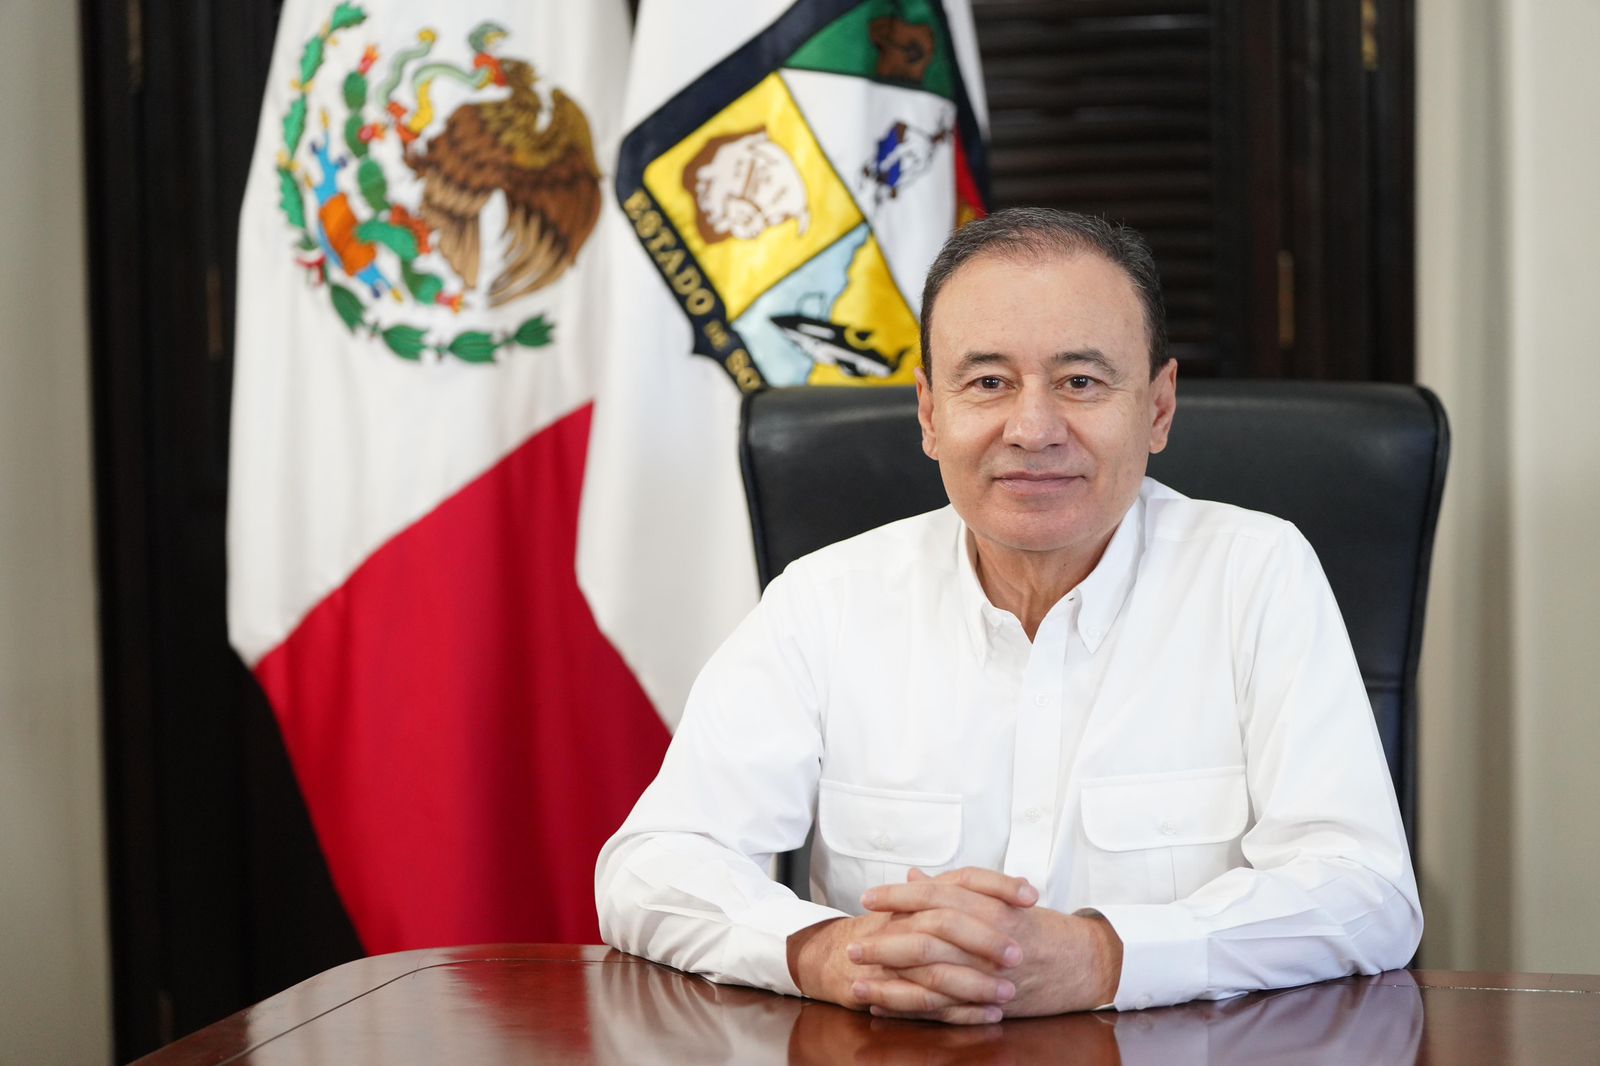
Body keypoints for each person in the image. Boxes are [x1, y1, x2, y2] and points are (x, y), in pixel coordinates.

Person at [595, 207, 1422, 1025]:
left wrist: (1102, 957)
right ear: (930, 413)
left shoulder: (1256, 575)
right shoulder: (826, 598)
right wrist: (832, 953)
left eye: (1081, 382)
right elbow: (652, 866)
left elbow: (1366, 891)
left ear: (1158, 408)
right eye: (988, 382)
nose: (1032, 429)